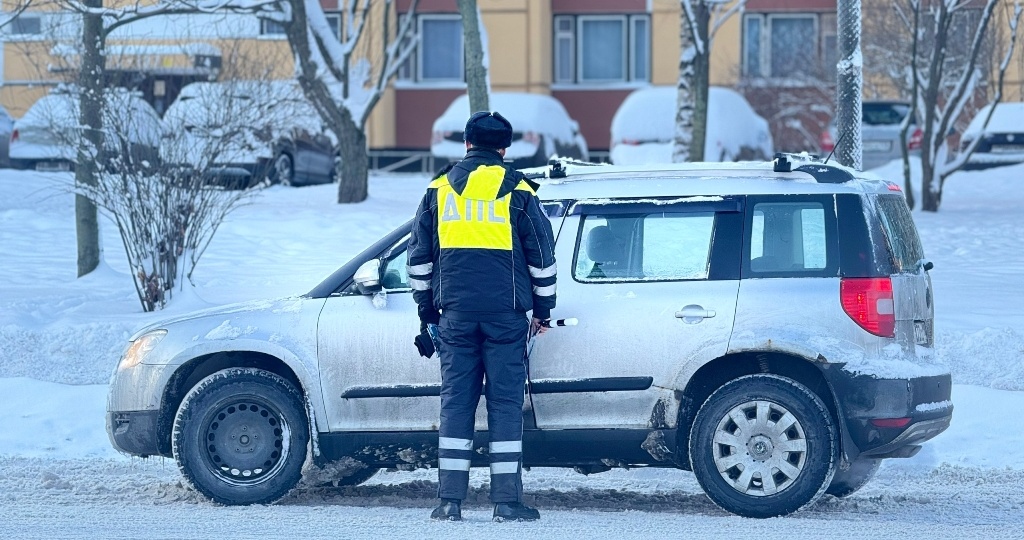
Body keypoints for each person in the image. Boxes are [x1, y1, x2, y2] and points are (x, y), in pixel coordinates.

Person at [406, 111, 557, 523]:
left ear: (467, 144)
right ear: (504, 148)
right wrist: (543, 310)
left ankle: (448, 502)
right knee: (505, 404)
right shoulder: (519, 191)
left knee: (456, 402)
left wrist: (426, 309)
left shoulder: (438, 190)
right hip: (505, 316)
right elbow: (542, 257)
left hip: (454, 314)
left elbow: (418, 260)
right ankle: (506, 504)